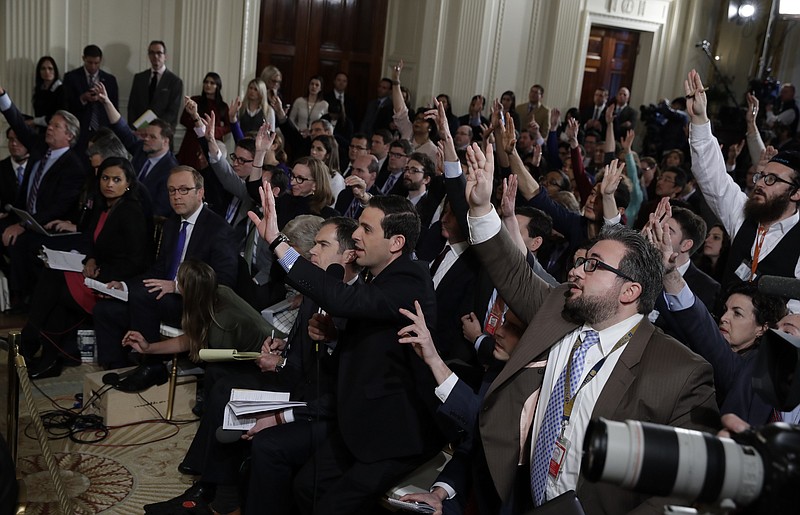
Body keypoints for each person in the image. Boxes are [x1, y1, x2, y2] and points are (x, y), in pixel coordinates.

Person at [457, 141, 718, 512]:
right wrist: (482, 207)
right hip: (520, 499)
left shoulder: (680, 372)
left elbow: (688, 486)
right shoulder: (559, 309)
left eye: (594, 265)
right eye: (583, 262)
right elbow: (512, 272)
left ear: (630, 291)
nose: (576, 269)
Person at [248, 190, 444, 514]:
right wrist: (335, 335)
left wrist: (277, 243)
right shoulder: (377, 276)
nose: (355, 234)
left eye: (367, 229)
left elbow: (343, 300)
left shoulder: (411, 278)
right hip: (356, 421)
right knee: (304, 487)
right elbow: (373, 331)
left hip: (393, 436)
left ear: (395, 243)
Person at [92, 165, 237, 374]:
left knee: (144, 296)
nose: (177, 196)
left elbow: (224, 282)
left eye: (184, 190)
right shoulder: (172, 223)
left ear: (200, 192)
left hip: (195, 304)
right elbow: (158, 270)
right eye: (172, 190)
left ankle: (151, 367)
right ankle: (116, 371)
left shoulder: (219, 230)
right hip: (162, 300)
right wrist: (124, 286)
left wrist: (177, 286)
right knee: (105, 310)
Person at [649, 215, 786, 425]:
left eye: (737, 313)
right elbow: (685, 322)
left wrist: (670, 273)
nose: (724, 318)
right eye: (726, 310)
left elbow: (701, 327)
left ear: (762, 328)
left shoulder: (754, 367)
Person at [21, 158, 151, 378]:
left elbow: (137, 262)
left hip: (114, 284)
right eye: (105, 178)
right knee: (53, 279)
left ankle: (31, 341)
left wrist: (102, 272)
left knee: (56, 288)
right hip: (98, 274)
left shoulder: (131, 212)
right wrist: (90, 259)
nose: (109, 184)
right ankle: (49, 356)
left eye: (116, 179)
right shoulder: (104, 208)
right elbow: (93, 244)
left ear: (128, 183)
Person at [685, 69, 800, 304]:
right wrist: (699, 119)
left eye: (772, 180)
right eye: (761, 176)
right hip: (720, 330)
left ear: (796, 193)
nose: (759, 184)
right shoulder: (744, 215)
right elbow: (713, 178)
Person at [0, 85, 88, 311]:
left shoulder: (73, 166)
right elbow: (19, 123)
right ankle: (16, 295)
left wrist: (24, 225)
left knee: (21, 244)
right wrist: (3, 97)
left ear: (69, 135)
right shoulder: (40, 148)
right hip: (25, 217)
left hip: (47, 226)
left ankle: (24, 303)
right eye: (50, 124)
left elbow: (58, 207)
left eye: (56, 126)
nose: (49, 128)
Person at [97, 81, 177, 216]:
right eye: (145, 135)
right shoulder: (142, 149)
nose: (146, 139)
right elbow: (122, 129)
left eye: (152, 137)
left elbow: (161, 209)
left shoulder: (171, 170)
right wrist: (106, 102)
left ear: (165, 141)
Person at [62, 44, 119, 153]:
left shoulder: (110, 80)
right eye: (89, 62)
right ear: (83, 59)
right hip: (79, 129)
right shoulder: (71, 77)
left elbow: (114, 107)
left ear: (101, 60)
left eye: (96, 63)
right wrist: (83, 98)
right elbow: (66, 106)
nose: (93, 66)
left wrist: (103, 100)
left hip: (103, 130)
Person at [176, 72, 230, 170]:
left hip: (212, 141)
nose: (208, 85)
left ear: (218, 86)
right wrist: (199, 124)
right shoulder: (195, 100)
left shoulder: (222, 106)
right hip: (192, 141)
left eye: (212, 83)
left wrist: (214, 130)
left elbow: (228, 126)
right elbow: (183, 120)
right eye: (206, 82)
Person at [127, 40, 184, 128]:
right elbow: (132, 106)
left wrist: (154, 128)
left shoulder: (175, 81)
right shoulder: (139, 78)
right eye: (152, 53)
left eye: (159, 53)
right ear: (148, 56)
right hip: (140, 131)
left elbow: (172, 112)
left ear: (165, 56)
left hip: (162, 132)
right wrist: (135, 128)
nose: (155, 56)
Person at [275, 156, 338, 229]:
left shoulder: (329, 216)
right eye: (292, 176)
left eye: (300, 178)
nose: (292, 182)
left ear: (316, 184)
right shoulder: (283, 201)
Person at [30, 56, 64, 130]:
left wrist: (34, 121)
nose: (47, 72)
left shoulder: (61, 89)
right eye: (43, 69)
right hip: (41, 130)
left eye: (50, 68)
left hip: (56, 130)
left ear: (55, 70)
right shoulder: (39, 89)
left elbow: (59, 114)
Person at [0, 129, 29, 211]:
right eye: (11, 139)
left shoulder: (38, 167)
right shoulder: (2, 167)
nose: (14, 144)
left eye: (19, 139)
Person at [310, 134, 345, 200]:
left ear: (328, 155)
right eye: (312, 147)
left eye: (319, 149)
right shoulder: (307, 171)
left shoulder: (336, 179)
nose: (313, 152)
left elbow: (334, 204)